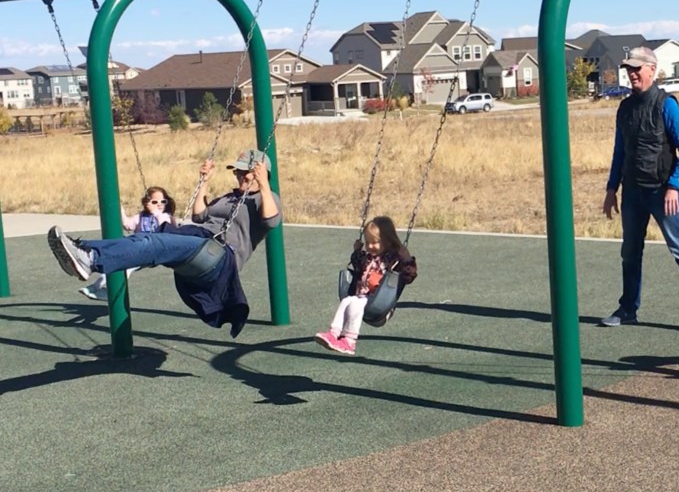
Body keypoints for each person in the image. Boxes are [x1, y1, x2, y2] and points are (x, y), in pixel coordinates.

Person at [48, 149, 282, 337]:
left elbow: (270, 221)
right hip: (198, 240)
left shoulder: (266, 199)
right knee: (146, 238)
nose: (240, 176)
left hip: (218, 255)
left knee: (154, 243)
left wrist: (263, 185)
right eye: (237, 173)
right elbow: (200, 216)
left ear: (261, 172)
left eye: (245, 173)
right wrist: (204, 182)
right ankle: (84, 252)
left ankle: (90, 258)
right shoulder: (230, 196)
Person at [600, 46, 679, 335]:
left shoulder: (666, 104)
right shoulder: (625, 108)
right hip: (633, 192)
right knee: (630, 252)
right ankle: (628, 308)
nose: (632, 73)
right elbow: (620, 152)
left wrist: (674, 186)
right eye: (628, 69)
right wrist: (612, 189)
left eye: (637, 68)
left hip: (662, 191)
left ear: (652, 70)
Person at [314, 216, 417, 356]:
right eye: (367, 242)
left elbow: (409, 276)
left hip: (381, 303)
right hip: (362, 297)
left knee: (356, 304)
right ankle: (333, 333)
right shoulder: (367, 258)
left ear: (388, 241)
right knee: (347, 300)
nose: (370, 246)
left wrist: (406, 258)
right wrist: (357, 250)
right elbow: (357, 264)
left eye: (375, 242)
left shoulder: (394, 260)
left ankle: (349, 341)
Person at [78, 186, 178, 301]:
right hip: (137, 247)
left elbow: (165, 228)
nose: (159, 204)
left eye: (163, 201)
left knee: (126, 267)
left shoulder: (166, 217)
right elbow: (128, 225)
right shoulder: (141, 216)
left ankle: (101, 289)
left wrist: (155, 212)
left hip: (154, 250)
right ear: (147, 203)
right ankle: (100, 287)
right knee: (117, 260)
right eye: (155, 202)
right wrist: (120, 211)